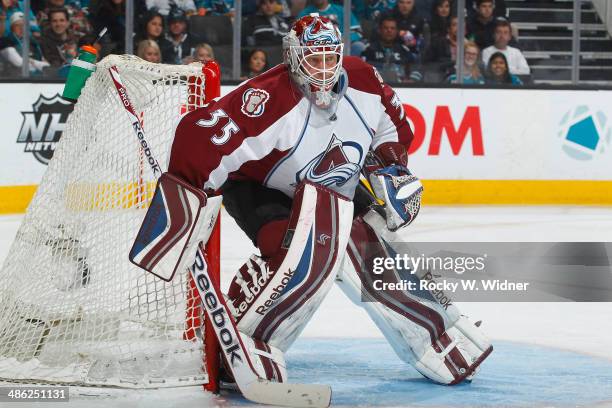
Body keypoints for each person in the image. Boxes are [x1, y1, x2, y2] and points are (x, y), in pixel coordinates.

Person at [131, 13, 493, 390]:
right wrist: (183, 204)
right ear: (293, 57)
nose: (323, 70)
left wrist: (390, 167)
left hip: (334, 188)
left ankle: (436, 337)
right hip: (263, 188)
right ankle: (248, 339)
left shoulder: (365, 80)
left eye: (329, 58)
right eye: (313, 59)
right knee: (299, 255)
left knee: (372, 255)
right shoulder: (268, 97)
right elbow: (197, 138)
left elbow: (392, 128)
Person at [298, 0, 365, 56]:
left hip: (341, 46)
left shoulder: (341, 10)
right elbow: (298, 36)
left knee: (358, 46)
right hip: (316, 49)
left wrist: (344, 39)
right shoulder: (305, 13)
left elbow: (357, 32)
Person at [361, 16, 416, 83]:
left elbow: (416, 70)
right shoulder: (369, 50)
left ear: (396, 31)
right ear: (380, 30)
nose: (389, 30)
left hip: (402, 88)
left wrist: (411, 80)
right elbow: (361, 72)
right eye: (386, 28)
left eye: (392, 28)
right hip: (376, 88)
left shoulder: (404, 50)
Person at [40, 7, 78, 76]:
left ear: (67, 22)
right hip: (55, 80)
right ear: (50, 23)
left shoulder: (76, 38)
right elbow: (52, 64)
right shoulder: (44, 41)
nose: (58, 24)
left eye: (62, 20)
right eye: (54, 21)